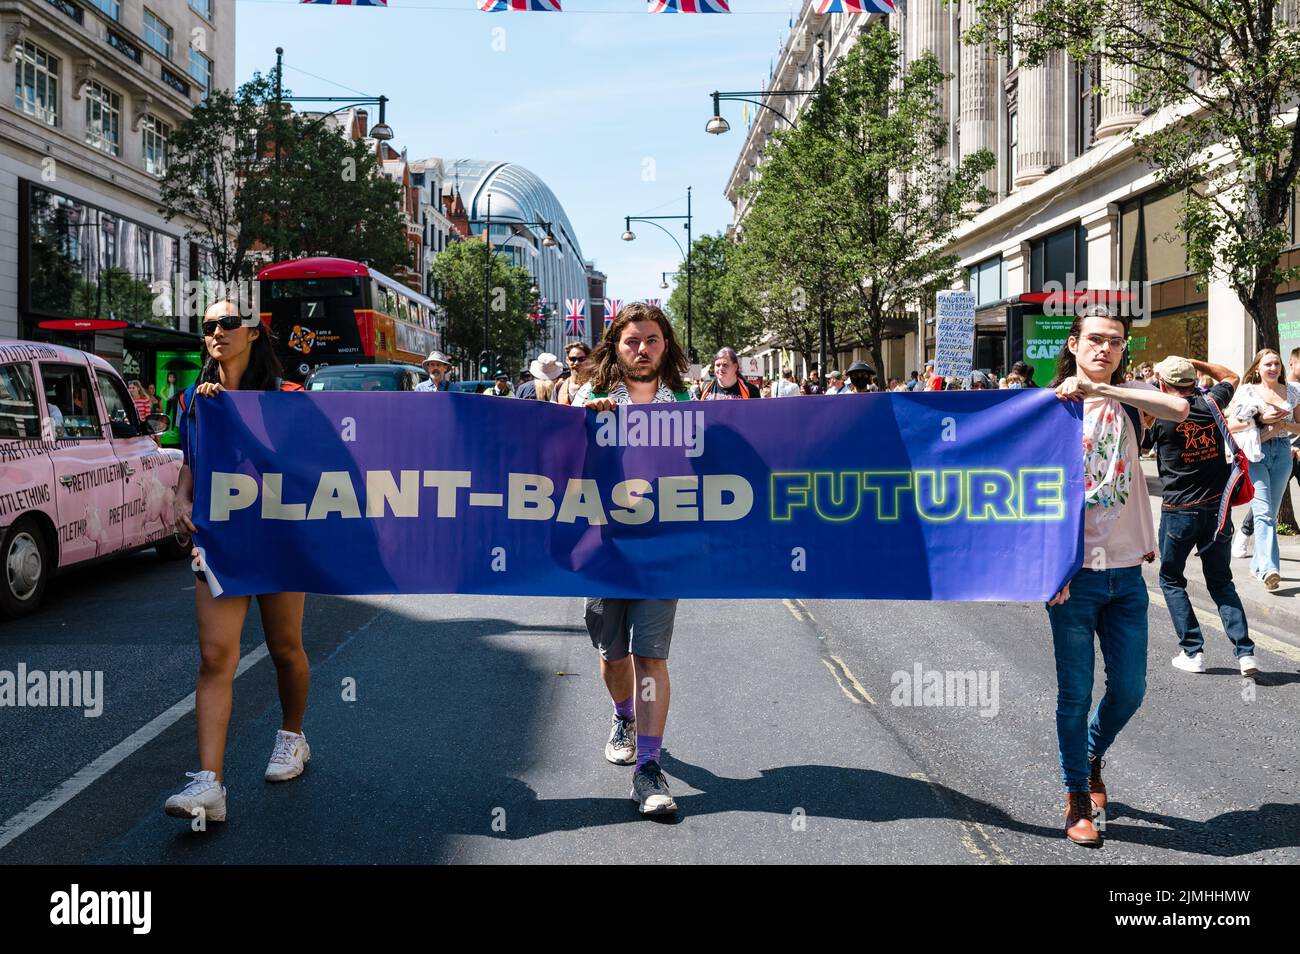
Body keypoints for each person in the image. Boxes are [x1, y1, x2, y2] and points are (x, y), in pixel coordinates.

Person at [1047, 306, 1189, 846]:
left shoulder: (1131, 402)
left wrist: (1107, 390)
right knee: (1074, 694)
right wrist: (1048, 567)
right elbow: (1030, 499)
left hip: (1127, 573)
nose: (1105, 349)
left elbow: (1178, 407)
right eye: (1095, 340)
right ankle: (1076, 794)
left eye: (1115, 342)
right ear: (1075, 342)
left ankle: (1089, 752)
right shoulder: (1052, 406)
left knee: (1130, 689)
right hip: (1073, 575)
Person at [165, 299, 311, 824]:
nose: (217, 332)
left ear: (253, 334)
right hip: (221, 544)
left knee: (285, 648)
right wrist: (182, 499)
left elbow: (300, 462)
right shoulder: (191, 401)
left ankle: (292, 737)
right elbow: (190, 462)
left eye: (228, 323)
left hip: (278, 539)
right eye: (208, 326)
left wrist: (232, 410)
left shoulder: (289, 397)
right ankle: (209, 784)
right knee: (214, 657)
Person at [569, 302, 690, 816]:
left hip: (661, 549)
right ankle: (623, 714)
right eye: (633, 341)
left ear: (666, 346)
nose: (643, 350)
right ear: (616, 346)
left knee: (651, 657)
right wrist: (584, 426)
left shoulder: (687, 401)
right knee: (612, 656)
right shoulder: (589, 396)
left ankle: (648, 767)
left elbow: (708, 465)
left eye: (653, 341)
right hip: (603, 547)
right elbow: (552, 465)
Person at [1144, 356, 1257, 677]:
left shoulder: (1159, 416)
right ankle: (1245, 653)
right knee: (1221, 582)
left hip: (1179, 511)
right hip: (1216, 510)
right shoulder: (1211, 402)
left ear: (1163, 385)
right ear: (1193, 381)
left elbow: (1138, 440)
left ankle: (1193, 650)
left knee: (1171, 578)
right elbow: (1231, 375)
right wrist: (1195, 362)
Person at [1225, 349, 1300, 590]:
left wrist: (1282, 423)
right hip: (1256, 455)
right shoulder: (1247, 391)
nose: (1273, 368)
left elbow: (1299, 428)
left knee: (1271, 511)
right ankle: (1270, 569)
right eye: (1268, 364)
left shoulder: (1293, 391)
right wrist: (1260, 421)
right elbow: (1231, 425)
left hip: (1282, 452)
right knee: (1264, 513)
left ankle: (1259, 565)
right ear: (1257, 367)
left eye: (1276, 364)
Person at [553, 341, 591, 405]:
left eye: (581, 359)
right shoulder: (559, 386)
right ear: (567, 360)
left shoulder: (594, 386)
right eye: (572, 359)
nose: (576, 363)